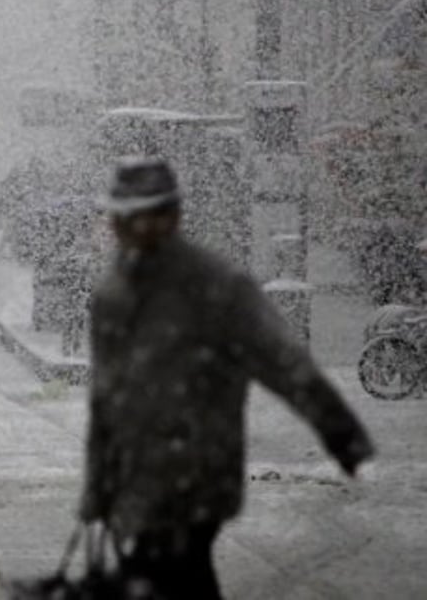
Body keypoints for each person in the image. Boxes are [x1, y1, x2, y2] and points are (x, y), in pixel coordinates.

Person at [79, 157, 375, 599]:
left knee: (174, 571)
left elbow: (284, 363)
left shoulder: (215, 284)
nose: (139, 228)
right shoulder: (113, 293)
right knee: (163, 577)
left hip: (196, 469)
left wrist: (341, 434)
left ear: (174, 216)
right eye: (127, 217)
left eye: (152, 215)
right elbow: (105, 399)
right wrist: (97, 488)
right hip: (133, 476)